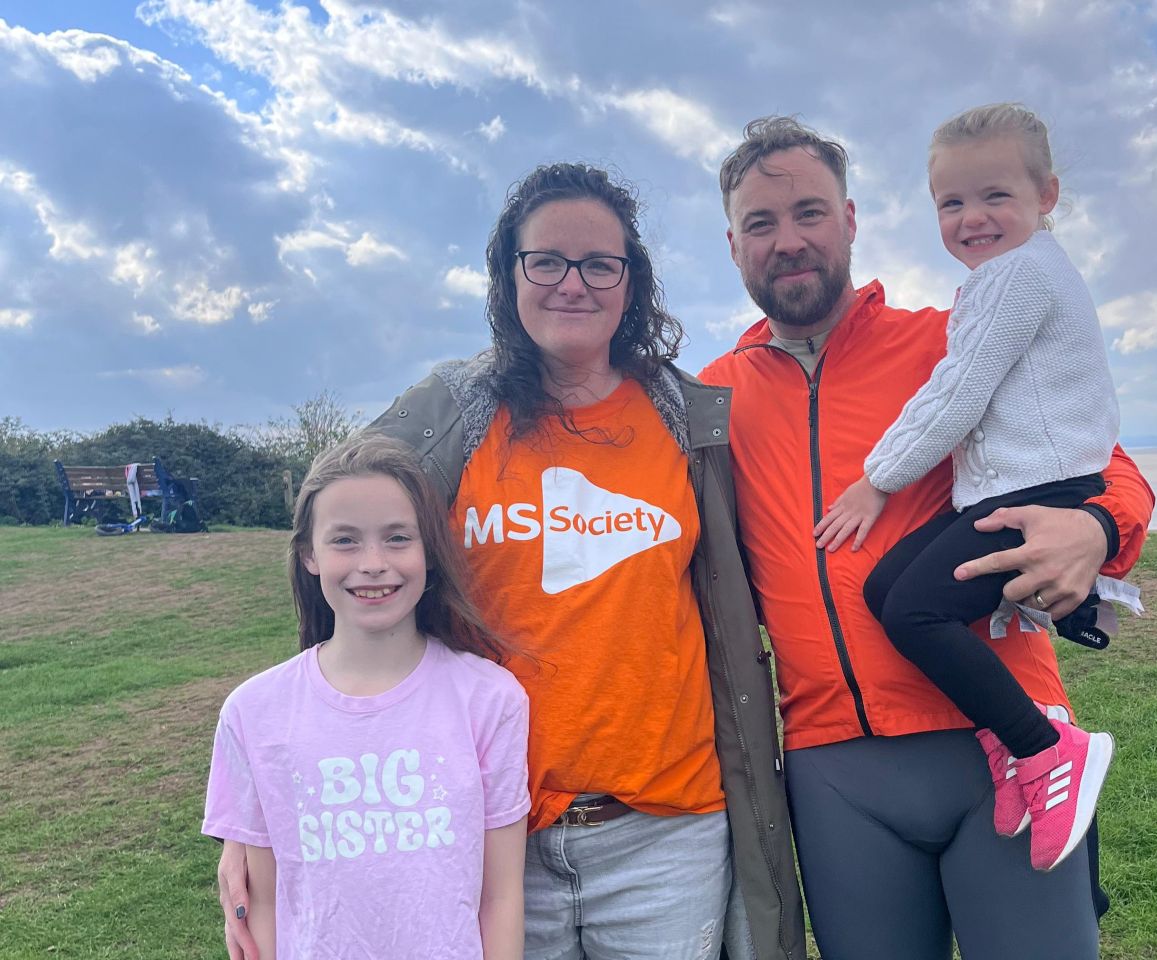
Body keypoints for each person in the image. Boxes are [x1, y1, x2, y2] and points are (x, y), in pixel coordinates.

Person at [216, 163, 803, 960]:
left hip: (667, 831)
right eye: (546, 261)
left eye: (600, 264)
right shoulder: (449, 414)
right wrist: (255, 824)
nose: (573, 284)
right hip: (486, 838)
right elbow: (340, 530)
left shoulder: (686, 419)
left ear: (631, 283)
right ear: (508, 275)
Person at [701, 116, 1155, 960]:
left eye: (809, 212)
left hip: (1002, 742)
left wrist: (1097, 528)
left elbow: (1108, 466)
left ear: (850, 221)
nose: (788, 240)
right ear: (734, 245)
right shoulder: (712, 402)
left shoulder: (945, 339)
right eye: (761, 223)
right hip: (833, 768)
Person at [811, 103, 1121, 874]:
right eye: (952, 202)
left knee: (916, 611)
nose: (971, 218)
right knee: (886, 589)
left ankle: (1045, 748)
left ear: (1047, 195)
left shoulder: (1019, 275)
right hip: (1013, 489)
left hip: (1039, 493)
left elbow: (958, 394)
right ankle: (1010, 743)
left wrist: (877, 482)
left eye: (995, 196)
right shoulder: (1011, 276)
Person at [203, 434, 529, 960]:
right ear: (309, 554)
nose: (374, 562)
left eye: (398, 537)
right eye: (345, 540)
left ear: (429, 550)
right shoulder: (253, 712)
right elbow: (263, 904)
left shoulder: (491, 700)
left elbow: (501, 898)